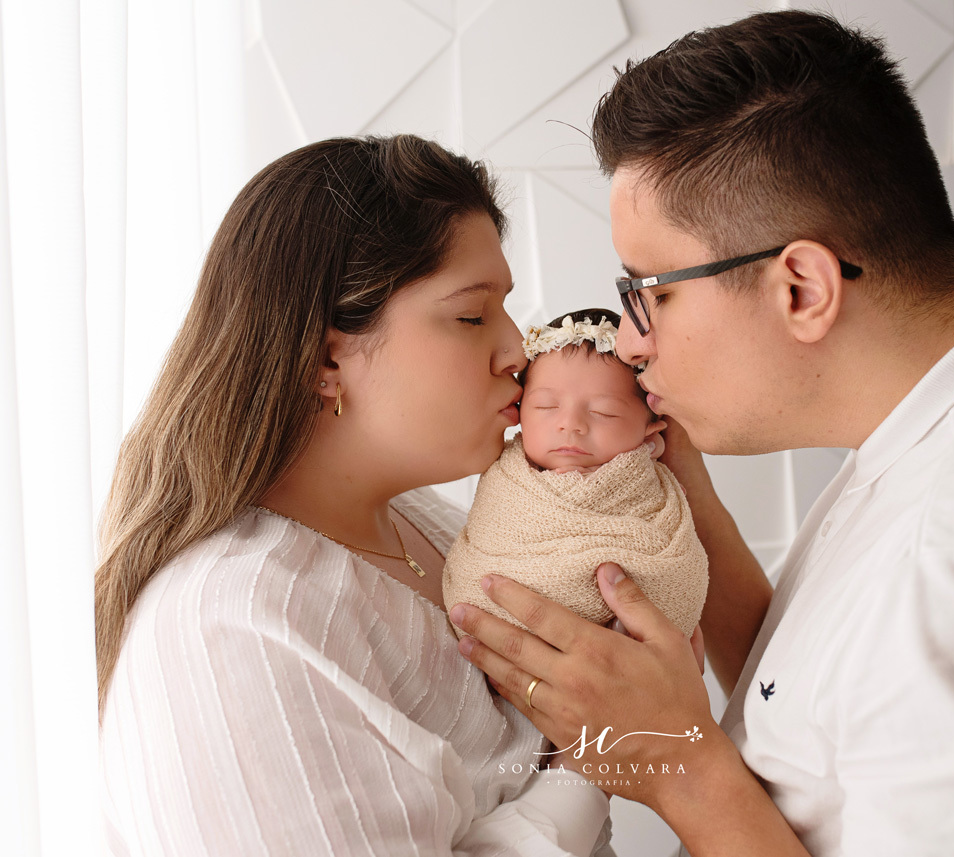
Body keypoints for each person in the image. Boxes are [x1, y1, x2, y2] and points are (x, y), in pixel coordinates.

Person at [448, 10, 954, 857]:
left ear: (801, 286)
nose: (628, 342)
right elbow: (832, 702)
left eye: (650, 292)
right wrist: (683, 508)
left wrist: (676, 767)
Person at [95, 135, 614, 856]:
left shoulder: (425, 525)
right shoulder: (234, 625)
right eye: (471, 315)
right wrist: (593, 757)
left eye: (505, 308)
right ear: (325, 357)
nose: (516, 351)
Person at [442, 308, 707, 638]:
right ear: (520, 412)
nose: (571, 424)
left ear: (651, 430)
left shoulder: (653, 497)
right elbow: (480, 556)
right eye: (546, 407)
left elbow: (677, 573)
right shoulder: (505, 481)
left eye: (603, 412)